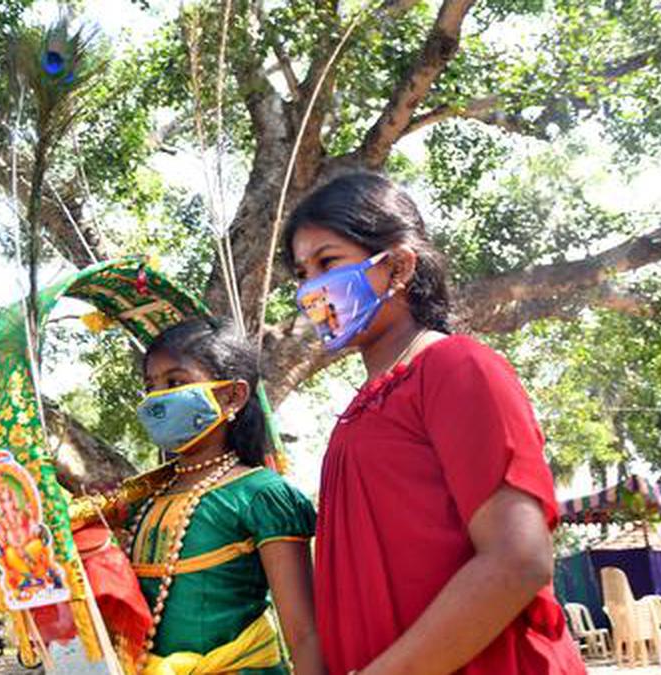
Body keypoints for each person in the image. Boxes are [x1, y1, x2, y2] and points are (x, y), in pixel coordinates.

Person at [283, 172, 584, 674]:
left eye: (328, 262)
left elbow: (518, 558)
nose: (312, 289)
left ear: (398, 265)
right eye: (301, 273)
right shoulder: (360, 408)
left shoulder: (457, 367)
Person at [113, 318, 322, 675]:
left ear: (233, 395)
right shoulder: (143, 500)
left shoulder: (262, 496)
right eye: (151, 387)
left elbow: (304, 634)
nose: (158, 399)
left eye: (175, 382)